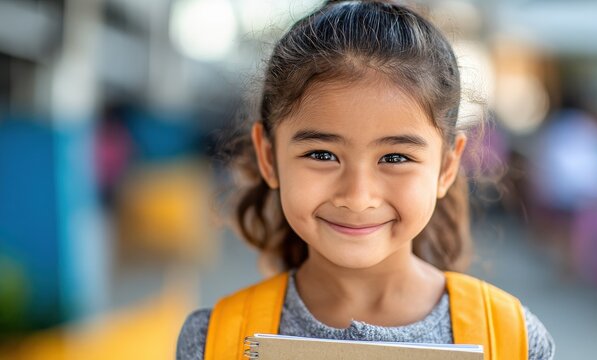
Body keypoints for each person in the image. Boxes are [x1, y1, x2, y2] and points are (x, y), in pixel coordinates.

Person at [177, 1, 555, 359]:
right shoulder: (214, 342)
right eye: (322, 155)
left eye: (395, 158)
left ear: (446, 167)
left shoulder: (513, 341)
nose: (357, 197)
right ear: (269, 157)